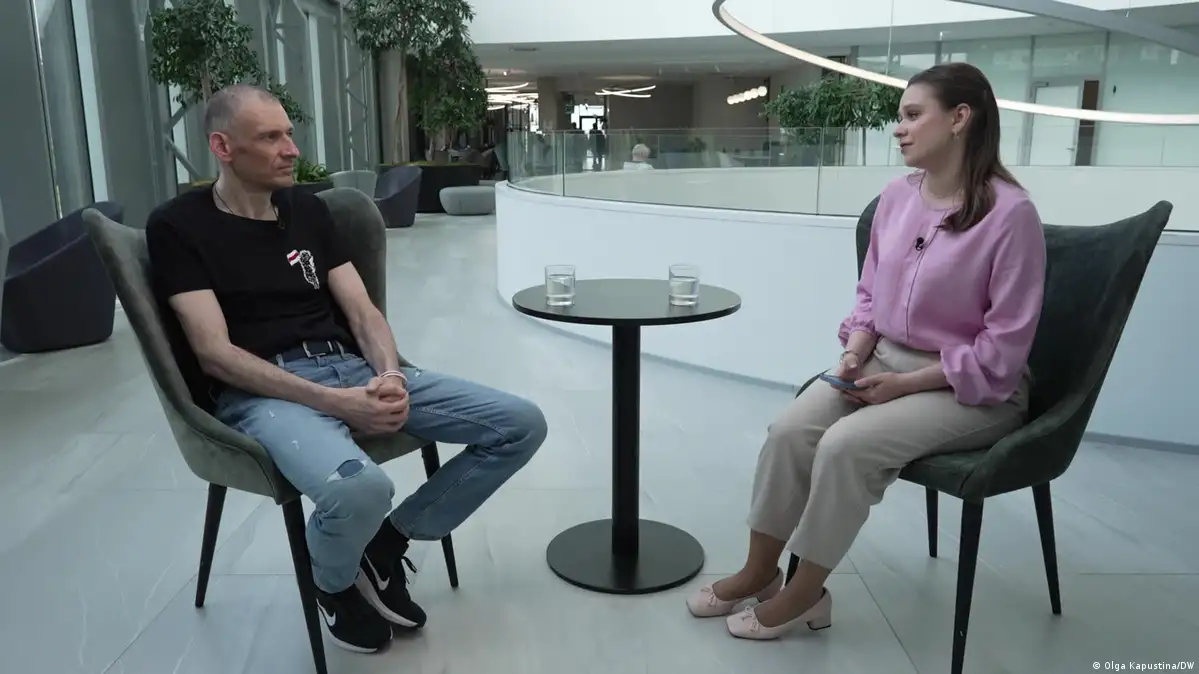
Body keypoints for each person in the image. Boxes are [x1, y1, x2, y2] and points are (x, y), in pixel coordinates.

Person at [146, 84, 548, 654]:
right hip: (263, 393)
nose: (291, 149)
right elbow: (215, 354)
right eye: (270, 137)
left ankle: (388, 544)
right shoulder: (178, 225)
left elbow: (362, 311)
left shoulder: (308, 211)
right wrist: (337, 404)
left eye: (289, 134)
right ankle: (332, 584)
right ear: (223, 147)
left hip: (351, 368)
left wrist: (389, 376)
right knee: (360, 491)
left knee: (521, 424)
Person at [686, 62, 1047, 640]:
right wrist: (855, 352)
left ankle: (806, 594)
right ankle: (760, 571)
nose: (898, 128)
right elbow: (870, 295)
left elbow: (1003, 351)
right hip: (882, 361)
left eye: (912, 115)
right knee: (789, 432)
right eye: (900, 116)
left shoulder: (1011, 214)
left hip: (973, 386)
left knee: (846, 446)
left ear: (960, 118)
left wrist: (905, 384)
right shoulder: (896, 197)